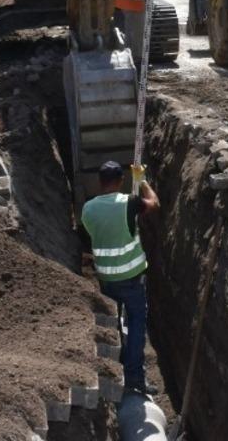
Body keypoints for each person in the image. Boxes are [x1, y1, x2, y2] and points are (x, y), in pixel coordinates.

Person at [80, 161, 160, 396]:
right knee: (136, 324)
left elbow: (93, 232)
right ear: (121, 181)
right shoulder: (130, 203)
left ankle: (113, 373)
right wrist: (142, 180)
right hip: (132, 278)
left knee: (113, 325)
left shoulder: (88, 209)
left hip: (106, 278)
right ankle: (135, 378)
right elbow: (154, 204)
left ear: (100, 182)